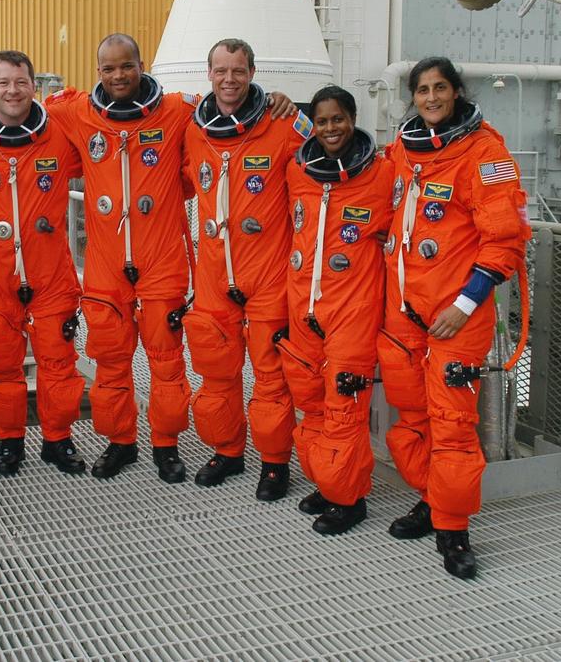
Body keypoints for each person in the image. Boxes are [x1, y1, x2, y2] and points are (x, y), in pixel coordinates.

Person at [378, 57, 530, 578]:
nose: (431, 98)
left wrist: (465, 303)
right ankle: (431, 500)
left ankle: (455, 529)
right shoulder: (404, 148)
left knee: (453, 427)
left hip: (454, 316)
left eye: (440, 88)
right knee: (414, 418)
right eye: (422, 90)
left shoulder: (486, 153)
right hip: (404, 312)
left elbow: (504, 237)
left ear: (458, 91)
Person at [43, 34, 198, 482]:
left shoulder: (176, 111)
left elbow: (230, 106)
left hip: (162, 259)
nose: (118, 76)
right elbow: (22, 113)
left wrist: (278, 102)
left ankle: (165, 444)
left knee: (166, 360)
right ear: (98, 73)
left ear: (141, 65)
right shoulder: (78, 114)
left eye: (126, 66)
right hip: (107, 263)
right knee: (110, 359)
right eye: (108, 69)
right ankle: (121, 441)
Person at [0, 50, 88, 476]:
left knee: (58, 363)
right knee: (2, 365)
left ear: (33, 86)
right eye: (3, 82)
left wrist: (60, 102)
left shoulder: (59, 134)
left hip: (50, 275)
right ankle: (10, 441)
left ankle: (58, 439)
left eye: (21, 82)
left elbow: (94, 108)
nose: (12, 91)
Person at [181, 38, 309, 500]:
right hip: (215, 275)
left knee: (272, 377)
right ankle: (229, 450)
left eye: (238, 71)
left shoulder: (282, 123)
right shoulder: (193, 128)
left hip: (269, 274)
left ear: (253, 72)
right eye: (221, 71)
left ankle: (275, 464)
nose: (229, 80)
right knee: (217, 373)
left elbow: (330, 156)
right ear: (209, 73)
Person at [281, 85, 394, 533]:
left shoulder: (383, 174)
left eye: (338, 119)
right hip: (304, 306)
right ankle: (327, 482)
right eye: (323, 121)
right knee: (311, 402)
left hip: (353, 309)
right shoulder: (298, 171)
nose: (331, 128)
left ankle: (349, 500)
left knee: (344, 405)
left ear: (353, 118)